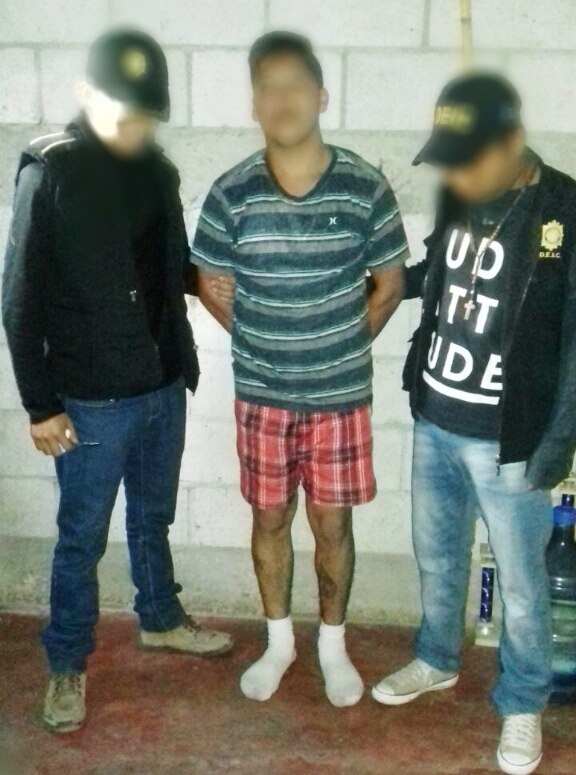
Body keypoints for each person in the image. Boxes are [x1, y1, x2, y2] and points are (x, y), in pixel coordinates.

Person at [2, 28, 232, 734]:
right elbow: (19, 300)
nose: (135, 129)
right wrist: (40, 406)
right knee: (82, 536)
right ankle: (67, 660)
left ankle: (159, 616)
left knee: (152, 516)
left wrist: (207, 283)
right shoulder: (51, 171)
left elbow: (165, 264)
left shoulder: (157, 172)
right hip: (91, 397)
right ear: (86, 95)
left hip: (162, 383)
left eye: (145, 116)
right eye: (122, 113)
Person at [191, 31, 409, 707]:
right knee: (269, 519)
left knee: (333, 526)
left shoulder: (364, 187)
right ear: (255, 103)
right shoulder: (231, 193)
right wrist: (265, 341)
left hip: (340, 397)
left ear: (321, 96)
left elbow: (391, 285)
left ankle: (332, 647)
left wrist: (336, 345)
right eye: (268, 87)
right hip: (262, 396)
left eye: (295, 85)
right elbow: (207, 281)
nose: (282, 99)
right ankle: (280, 643)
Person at [372, 72, 576, 775]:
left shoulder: (563, 210)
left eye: (467, 160)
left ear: (512, 141)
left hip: (508, 439)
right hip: (435, 416)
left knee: (521, 584)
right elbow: (437, 268)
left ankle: (523, 699)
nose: (454, 175)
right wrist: (378, 281)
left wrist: (554, 445)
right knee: (436, 556)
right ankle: (436, 657)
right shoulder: (462, 192)